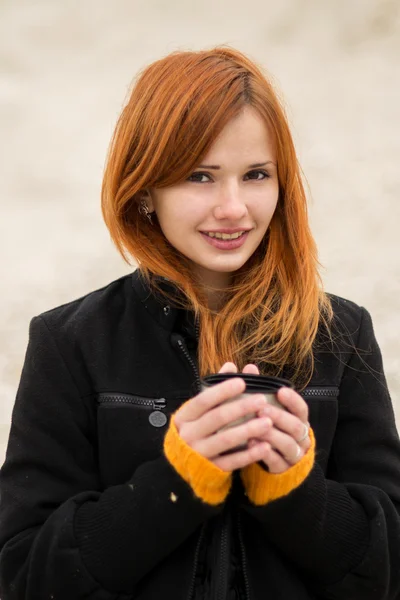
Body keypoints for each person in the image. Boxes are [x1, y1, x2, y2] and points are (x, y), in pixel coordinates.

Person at [0, 46, 399, 600]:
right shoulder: (70, 342)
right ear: (144, 188)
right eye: (200, 176)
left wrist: (293, 489)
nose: (233, 207)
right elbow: (22, 576)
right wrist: (177, 483)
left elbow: (386, 571)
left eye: (255, 174)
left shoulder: (340, 335)